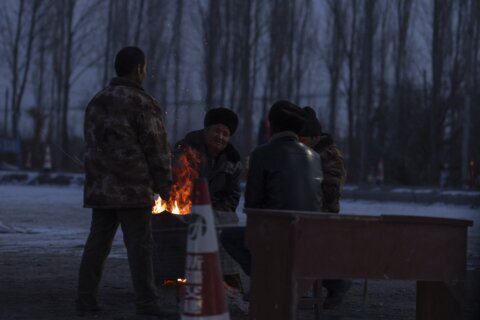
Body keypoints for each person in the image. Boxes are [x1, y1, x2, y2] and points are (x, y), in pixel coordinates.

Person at [77, 47, 174, 318]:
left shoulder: (96, 101)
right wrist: (165, 185)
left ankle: (85, 300)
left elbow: (90, 143)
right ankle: (147, 303)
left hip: (100, 188)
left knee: (97, 244)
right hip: (132, 188)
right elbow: (156, 147)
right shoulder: (142, 102)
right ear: (139, 69)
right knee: (140, 247)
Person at [220, 99, 323, 278]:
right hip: (309, 237)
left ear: (271, 127)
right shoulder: (314, 157)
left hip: (277, 235)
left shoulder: (261, 154)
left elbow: (252, 206)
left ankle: (266, 279)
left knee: (228, 236)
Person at [298, 106, 351, 309]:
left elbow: (330, 191)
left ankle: (336, 283)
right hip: (311, 212)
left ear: (313, 137)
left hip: (323, 214)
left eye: (302, 137)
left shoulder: (328, 155)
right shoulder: (314, 152)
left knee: (308, 248)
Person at [174, 107, 242, 214]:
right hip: (184, 210)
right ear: (206, 130)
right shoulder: (186, 149)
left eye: (225, 134)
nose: (220, 137)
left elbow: (232, 197)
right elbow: (173, 183)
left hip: (216, 216)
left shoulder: (233, 162)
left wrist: (211, 214)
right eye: (217, 131)